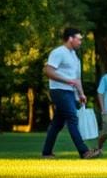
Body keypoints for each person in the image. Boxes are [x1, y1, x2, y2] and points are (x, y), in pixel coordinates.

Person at [41, 28, 102, 159]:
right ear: (70, 38)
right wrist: (67, 81)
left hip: (69, 92)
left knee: (57, 123)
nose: (81, 42)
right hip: (59, 90)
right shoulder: (58, 52)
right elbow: (48, 71)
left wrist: (81, 93)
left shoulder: (74, 56)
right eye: (79, 39)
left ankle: (46, 152)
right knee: (73, 118)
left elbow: (77, 78)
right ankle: (84, 151)